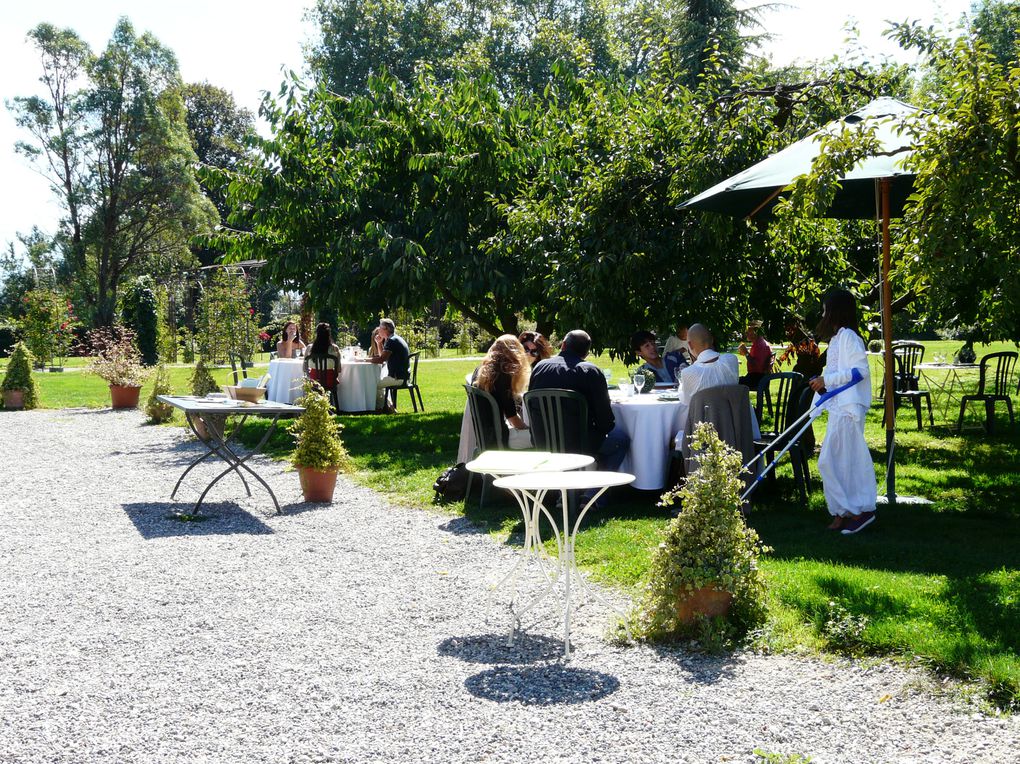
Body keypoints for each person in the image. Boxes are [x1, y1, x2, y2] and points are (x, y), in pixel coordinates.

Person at [808, 289, 876, 535]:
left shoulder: (849, 337)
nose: (823, 313)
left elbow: (859, 372)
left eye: (826, 308)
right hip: (838, 407)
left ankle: (861, 510)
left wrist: (828, 379)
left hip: (849, 408)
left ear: (836, 311)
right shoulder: (836, 340)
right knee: (832, 461)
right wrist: (822, 387)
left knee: (843, 460)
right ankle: (841, 510)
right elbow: (834, 376)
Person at [529, 330, 629, 474]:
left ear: (563, 345)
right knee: (620, 440)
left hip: (543, 440)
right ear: (587, 353)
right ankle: (594, 492)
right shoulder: (591, 372)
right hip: (579, 443)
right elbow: (606, 422)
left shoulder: (539, 368)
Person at [472, 335, 532, 448]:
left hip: (484, 434)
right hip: (499, 436)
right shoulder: (502, 374)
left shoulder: (479, 371)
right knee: (542, 438)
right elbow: (512, 418)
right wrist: (527, 429)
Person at [677, 323, 740, 422]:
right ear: (712, 339)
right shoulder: (732, 360)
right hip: (734, 425)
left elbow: (685, 401)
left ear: (689, 345)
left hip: (705, 428)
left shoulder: (688, 372)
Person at [369, 317, 410, 412]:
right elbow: (382, 357)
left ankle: (382, 408)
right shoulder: (394, 338)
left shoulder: (391, 341)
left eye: (380, 327)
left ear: (386, 329)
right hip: (402, 376)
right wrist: (379, 343)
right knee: (377, 384)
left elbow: (381, 359)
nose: (378, 329)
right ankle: (388, 407)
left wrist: (363, 360)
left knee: (372, 385)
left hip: (397, 377)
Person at [303, 323, 342, 402]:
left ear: (316, 333)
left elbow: (304, 368)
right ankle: (331, 405)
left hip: (314, 380)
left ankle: (313, 405)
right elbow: (339, 370)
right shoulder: (335, 348)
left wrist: (309, 376)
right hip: (330, 380)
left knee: (310, 379)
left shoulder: (309, 348)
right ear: (329, 334)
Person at [737, 320, 773, 390]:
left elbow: (757, 366)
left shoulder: (760, 345)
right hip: (756, 377)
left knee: (731, 382)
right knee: (733, 381)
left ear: (757, 332)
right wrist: (746, 353)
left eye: (749, 330)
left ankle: (737, 401)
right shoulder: (758, 343)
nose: (746, 332)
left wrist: (746, 353)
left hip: (757, 379)